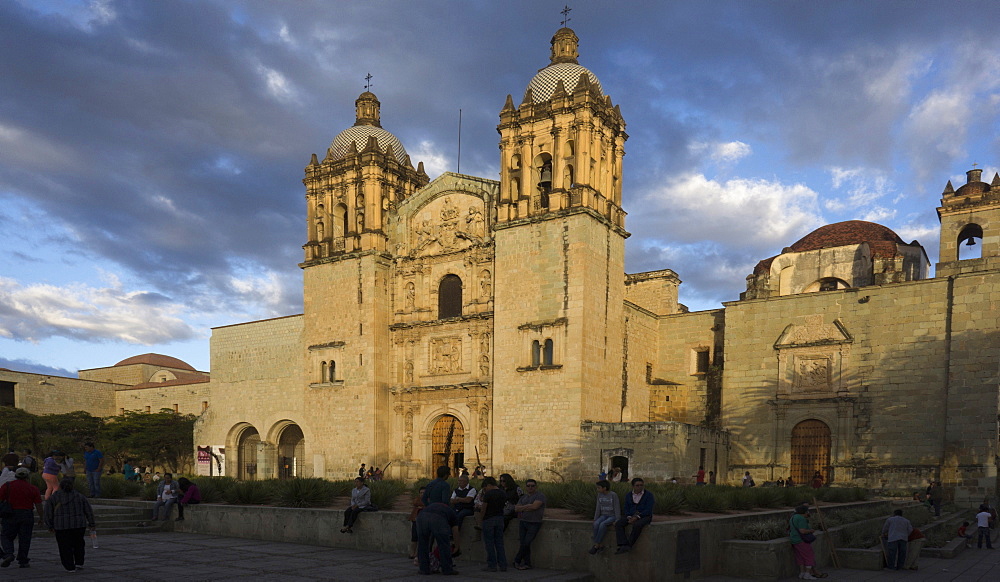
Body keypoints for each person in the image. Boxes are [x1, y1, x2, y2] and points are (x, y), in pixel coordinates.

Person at [44, 478, 94, 572]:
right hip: (78, 525)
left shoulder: (54, 498)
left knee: (64, 546)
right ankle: (79, 562)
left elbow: (48, 513)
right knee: (78, 544)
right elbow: (88, 511)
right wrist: (91, 523)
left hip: (61, 526)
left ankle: (69, 566)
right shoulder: (80, 496)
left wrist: (49, 525)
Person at [0, 467, 44, 569]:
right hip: (27, 514)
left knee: (6, 536)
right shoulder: (33, 488)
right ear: (27, 476)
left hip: (10, 514)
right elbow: (38, 505)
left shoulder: (7, 486)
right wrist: (41, 517)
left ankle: (8, 553)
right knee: (25, 539)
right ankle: (23, 560)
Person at [416, 495, 460, 575]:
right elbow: (455, 531)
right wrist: (457, 546)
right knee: (443, 544)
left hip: (422, 517)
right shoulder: (451, 512)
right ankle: (447, 569)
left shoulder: (433, 505)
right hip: (438, 519)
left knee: (422, 544)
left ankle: (424, 569)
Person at [614, 477, 654, 554]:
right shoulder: (629, 495)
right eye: (637, 485)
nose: (640, 487)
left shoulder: (649, 495)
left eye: (641, 485)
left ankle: (629, 545)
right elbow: (626, 507)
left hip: (645, 516)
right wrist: (629, 516)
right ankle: (623, 544)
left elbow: (648, 509)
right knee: (619, 523)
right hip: (631, 515)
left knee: (637, 525)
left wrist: (637, 517)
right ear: (633, 486)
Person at [512, 478, 545, 570]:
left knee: (526, 543)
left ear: (536, 487)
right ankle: (527, 563)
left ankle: (517, 560)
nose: (530, 487)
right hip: (523, 522)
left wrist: (524, 507)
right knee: (524, 543)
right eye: (528, 486)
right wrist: (528, 506)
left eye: (532, 486)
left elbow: (535, 507)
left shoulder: (540, 496)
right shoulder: (524, 497)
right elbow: (516, 509)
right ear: (526, 487)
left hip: (534, 522)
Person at [478, 477, 507, 572]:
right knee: (499, 543)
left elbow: (483, 508)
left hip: (489, 519)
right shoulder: (503, 493)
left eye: (485, 487)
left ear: (489, 485)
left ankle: (492, 565)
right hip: (500, 519)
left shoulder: (488, 494)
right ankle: (503, 565)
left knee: (489, 543)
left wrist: (480, 520)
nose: (485, 489)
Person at [789, 505, 826, 579]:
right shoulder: (801, 518)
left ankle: (802, 573)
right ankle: (807, 574)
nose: (808, 513)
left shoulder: (793, 517)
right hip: (801, 540)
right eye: (807, 511)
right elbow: (802, 531)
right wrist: (811, 530)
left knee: (800, 557)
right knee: (809, 556)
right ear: (805, 512)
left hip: (794, 540)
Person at [589, 479, 620, 554]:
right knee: (596, 524)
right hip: (603, 515)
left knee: (603, 525)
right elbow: (598, 507)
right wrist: (595, 518)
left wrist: (617, 519)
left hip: (612, 516)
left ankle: (596, 545)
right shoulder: (599, 495)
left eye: (599, 488)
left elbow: (617, 507)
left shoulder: (613, 495)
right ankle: (600, 545)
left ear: (604, 488)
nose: (597, 489)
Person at [408, 486, 426, 559]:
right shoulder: (417, 499)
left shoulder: (429, 500)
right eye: (421, 493)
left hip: (424, 520)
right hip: (416, 520)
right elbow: (415, 502)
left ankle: (418, 553)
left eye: (423, 493)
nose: (422, 494)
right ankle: (412, 553)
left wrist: (422, 506)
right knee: (414, 537)